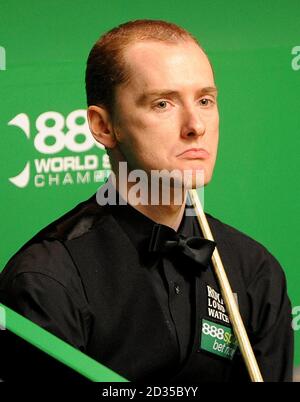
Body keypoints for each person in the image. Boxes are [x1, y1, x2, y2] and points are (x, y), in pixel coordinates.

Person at [0, 19, 294, 382]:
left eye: (205, 100)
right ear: (104, 127)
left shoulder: (255, 271)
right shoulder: (45, 281)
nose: (195, 126)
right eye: (163, 103)